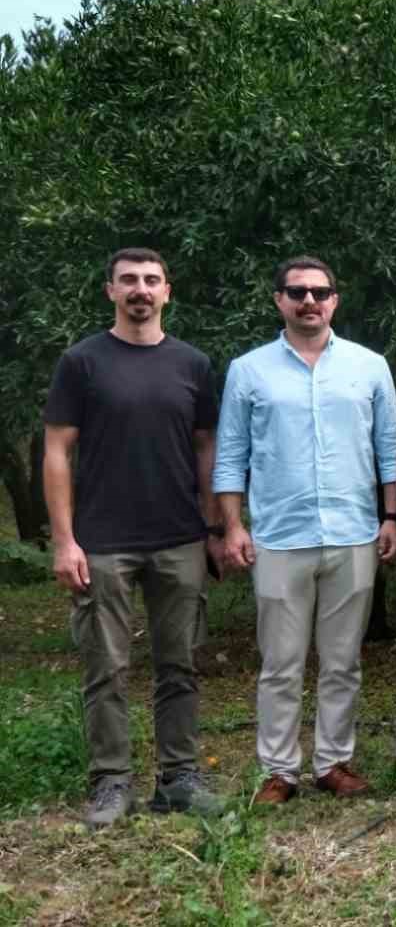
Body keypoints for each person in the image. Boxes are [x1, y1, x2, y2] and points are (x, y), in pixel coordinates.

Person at [42, 247, 226, 828]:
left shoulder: (193, 364)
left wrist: (214, 528)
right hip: (102, 541)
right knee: (106, 669)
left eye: (151, 280)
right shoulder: (82, 362)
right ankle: (111, 782)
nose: (140, 289)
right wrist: (64, 540)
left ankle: (178, 779)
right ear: (111, 291)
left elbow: (207, 450)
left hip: (179, 537)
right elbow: (56, 451)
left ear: (167, 291)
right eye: (128, 280)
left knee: (180, 664)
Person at [214, 256, 396, 804]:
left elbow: (389, 449)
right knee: (280, 663)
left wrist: (391, 516)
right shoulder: (249, 370)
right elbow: (231, 454)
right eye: (297, 292)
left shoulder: (369, 366)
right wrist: (233, 526)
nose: (309, 301)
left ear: (335, 300)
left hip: (353, 532)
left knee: (343, 661)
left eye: (320, 292)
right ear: (279, 299)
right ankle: (279, 770)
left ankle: (333, 762)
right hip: (279, 535)